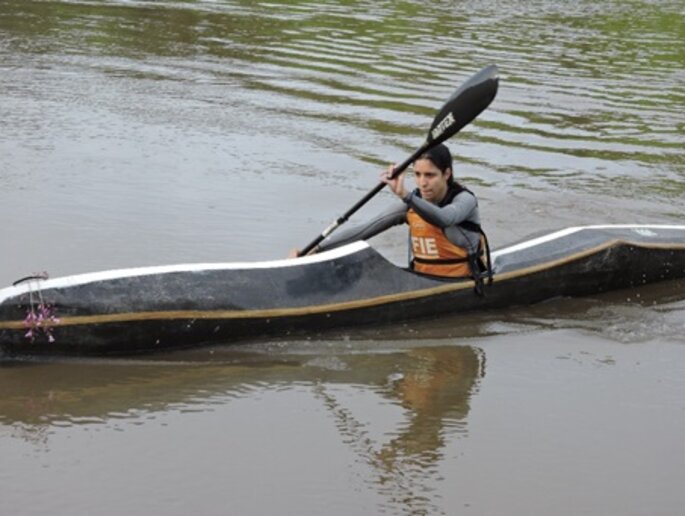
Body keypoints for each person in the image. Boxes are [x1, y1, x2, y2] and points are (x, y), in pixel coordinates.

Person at [293, 144, 492, 290]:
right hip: (422, 281)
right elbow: (365, 230)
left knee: (444, 224)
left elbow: (444, 218)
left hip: (463, 280)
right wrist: (315, 250)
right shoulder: (410, 207)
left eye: (430, 175)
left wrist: (405, 195)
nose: (422, 183)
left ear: (446, 174)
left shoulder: (465, 200)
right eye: (418, 174)